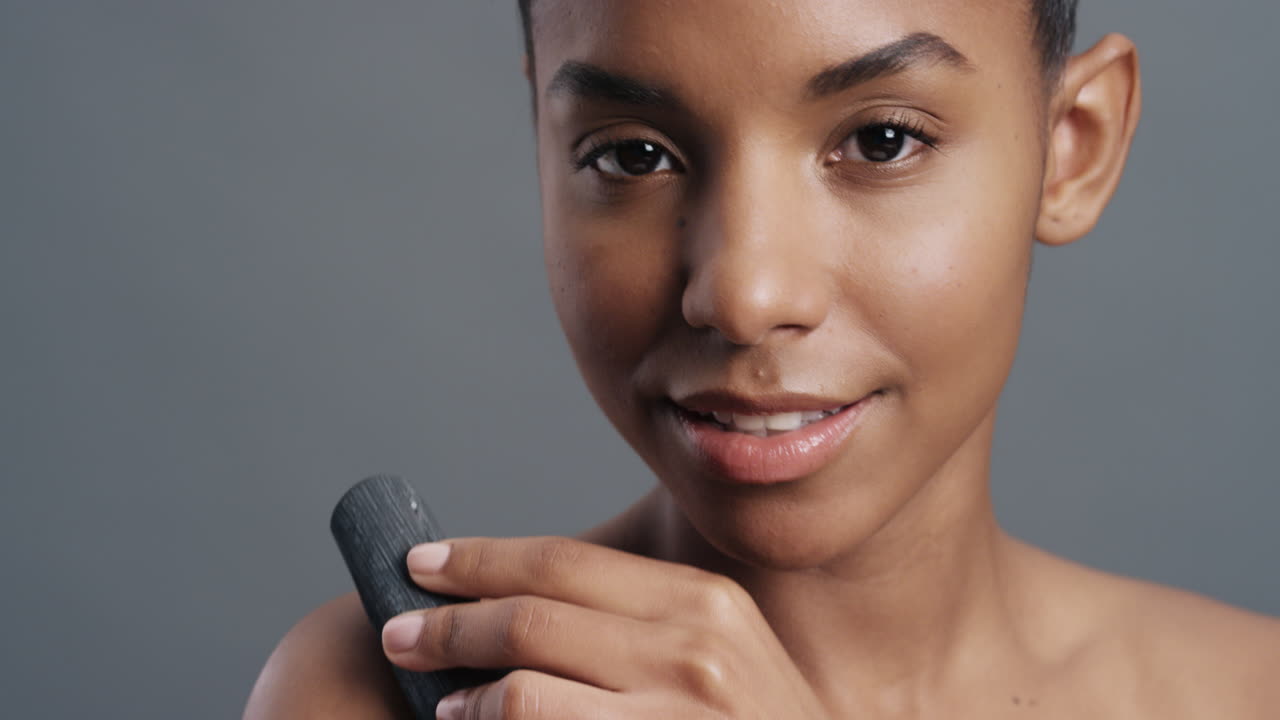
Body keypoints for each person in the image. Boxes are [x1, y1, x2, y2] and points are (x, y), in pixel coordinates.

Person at [244, 1, 1280, 717]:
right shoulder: (370, 692)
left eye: (879, 141)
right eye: (632, 154)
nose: (742, 296)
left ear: (1073, 145)